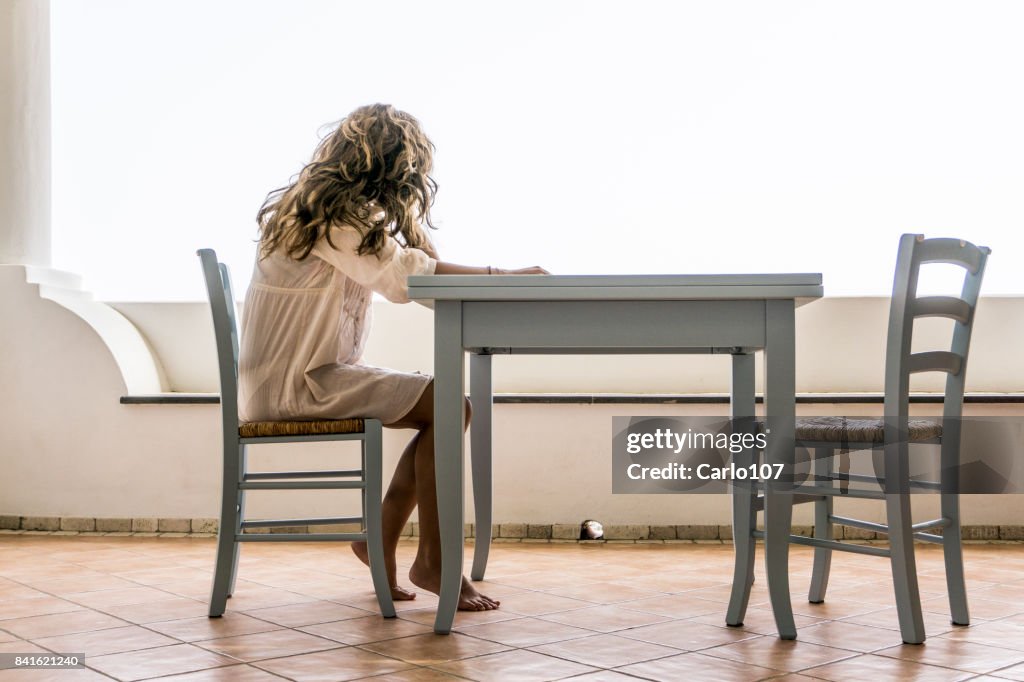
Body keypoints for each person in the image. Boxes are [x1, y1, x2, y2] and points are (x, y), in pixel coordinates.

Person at [238, 103, 547, 611]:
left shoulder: (322, 210)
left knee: (448, 406)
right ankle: (433, 559)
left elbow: (408, 275)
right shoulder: (332, 217)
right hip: (298, 383)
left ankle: (381, 540)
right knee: (450, 405)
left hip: (303, 376)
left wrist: (461, 267)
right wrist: (503, 276)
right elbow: (406, 277)